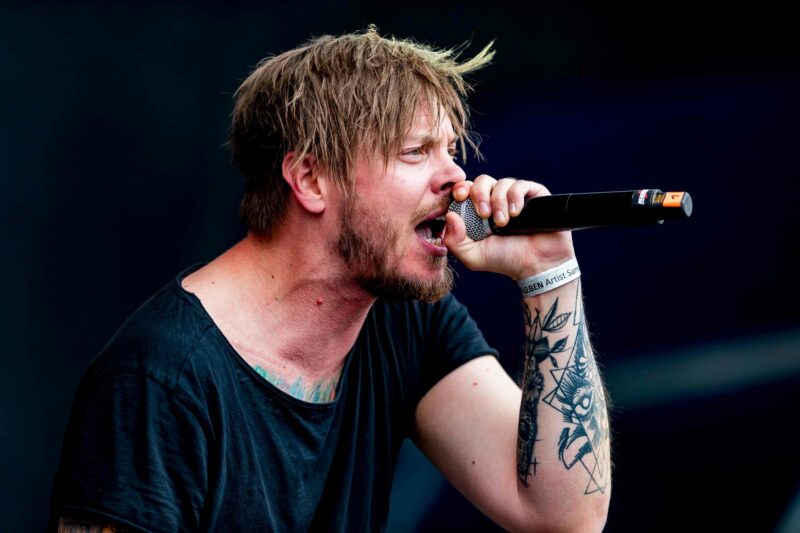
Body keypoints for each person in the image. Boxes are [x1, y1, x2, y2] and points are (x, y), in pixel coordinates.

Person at [49, 26, 611, 532]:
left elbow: (565, 519)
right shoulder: (160, 381)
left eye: (450, 151)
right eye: (415, 151)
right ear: (311, 179)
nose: (455, 177)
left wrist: (548, 273)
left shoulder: (405, 321)